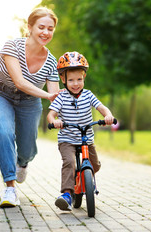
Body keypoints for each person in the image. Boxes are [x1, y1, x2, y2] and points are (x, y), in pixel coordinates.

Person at [0, 7, 60, 208]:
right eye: (41, 27)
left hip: (30, 101)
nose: (46, 32)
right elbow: (19, 82)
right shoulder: (12, 46)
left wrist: (63, 114)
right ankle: (10, 188)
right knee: (4, 132)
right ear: (29, 27)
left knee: (27, 148)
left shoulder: (52, 62)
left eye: (50, 29)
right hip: (1, 94)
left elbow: (56, 96)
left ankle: (23, 162)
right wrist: (47, 95)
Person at [47, 51, 115, 211]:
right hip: (67, 140)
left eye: (79, 79)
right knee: (69, 163)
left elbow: (101, 107)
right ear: (63, 79)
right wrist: (55, 122)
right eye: (71, 80)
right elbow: (51, 114)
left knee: (95, 165)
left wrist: (108, 115)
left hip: (86, 138)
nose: (75, 83)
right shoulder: (61, 97)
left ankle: (82, 177)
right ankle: (67, 195)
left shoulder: (88, 95)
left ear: (84, 77)